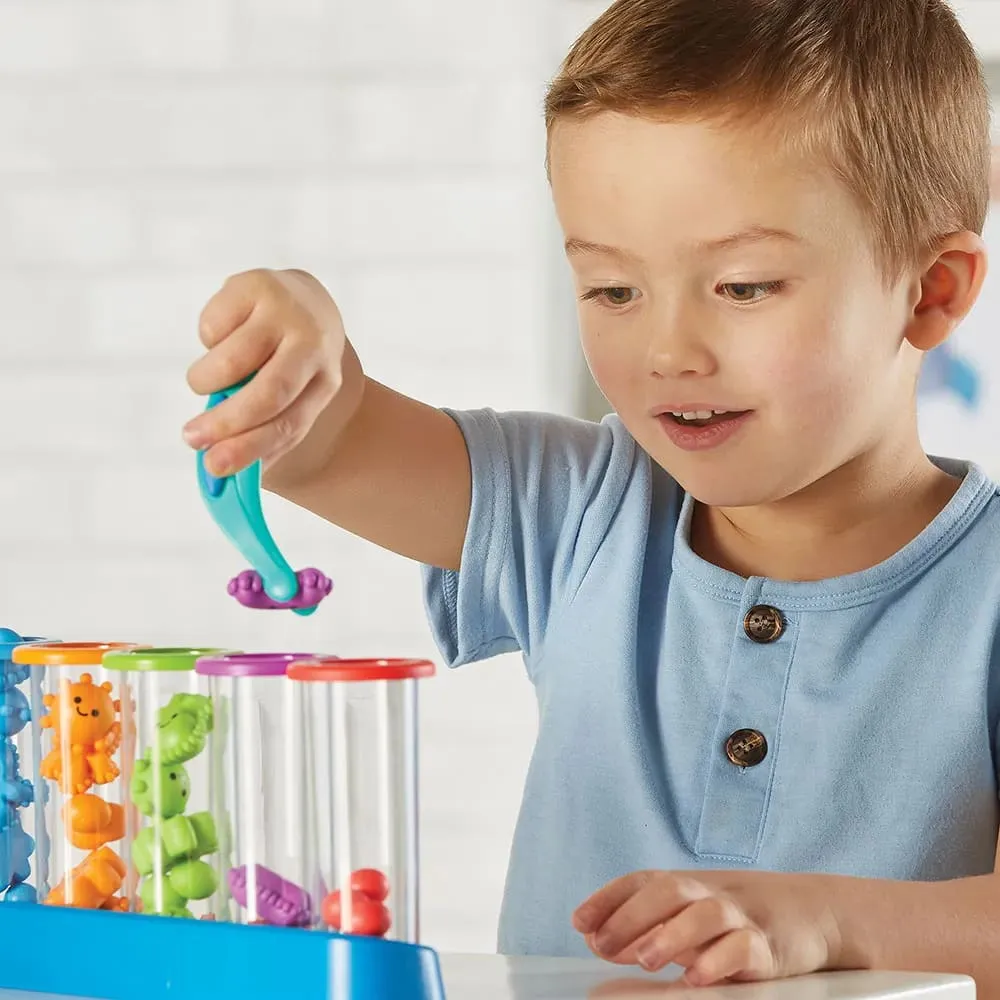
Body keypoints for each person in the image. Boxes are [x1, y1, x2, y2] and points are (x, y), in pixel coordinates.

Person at [182, 0, 1000, 990]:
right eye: (612, 290)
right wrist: (297, 342)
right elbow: (329, 438)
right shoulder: (574, 511)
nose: (667, 351)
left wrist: (827, 919)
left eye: (742, 286)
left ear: (932, 291)